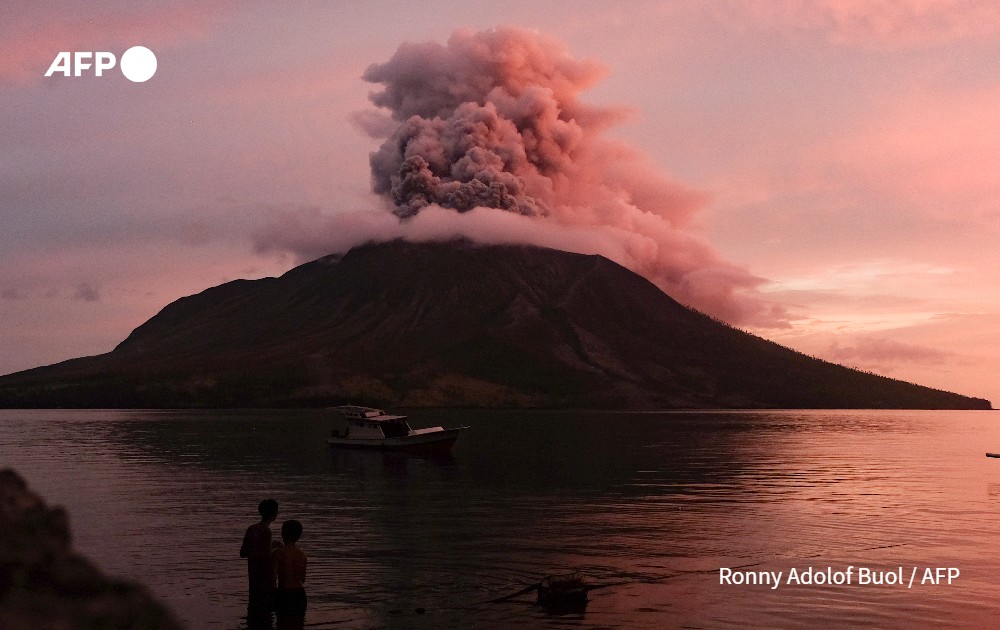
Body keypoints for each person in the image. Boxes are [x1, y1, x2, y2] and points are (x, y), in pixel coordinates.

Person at [240, 499, 280, 613]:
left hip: (253, 581)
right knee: (266, 614)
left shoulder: (251, 528)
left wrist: (271, 545)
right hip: (265, 582)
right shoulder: (266, 531)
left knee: (253, 613)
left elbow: (243, 553)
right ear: (274, 514)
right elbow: (266, 558)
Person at [272, 519, 307, 628]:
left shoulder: (278, 553)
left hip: (284, 593)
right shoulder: (302, 554)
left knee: (282, 624)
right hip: (300, 594)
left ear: (282, 534)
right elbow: (303, 579)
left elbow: (273, 577)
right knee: (298, 625)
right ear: (298, 536)